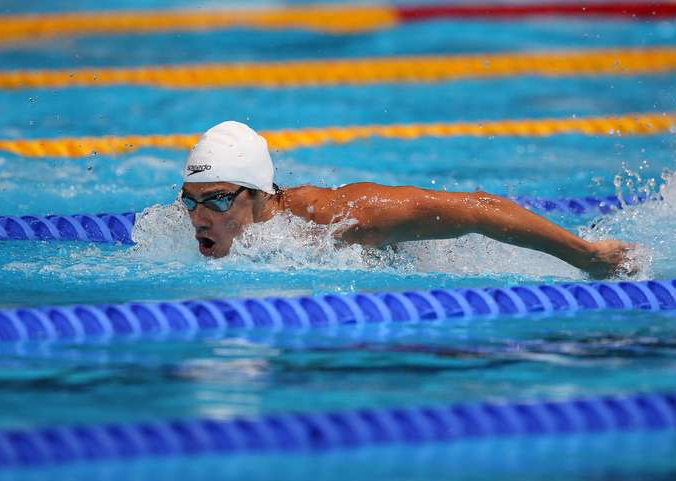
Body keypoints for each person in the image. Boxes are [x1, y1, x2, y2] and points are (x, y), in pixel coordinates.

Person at [180, 121, 634, 279]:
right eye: (190, 202)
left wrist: (587, 256)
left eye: (217, 200)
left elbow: (478, 209)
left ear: (261, 196)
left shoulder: (342, 218)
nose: (199, 218)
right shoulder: (177, 231)